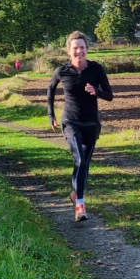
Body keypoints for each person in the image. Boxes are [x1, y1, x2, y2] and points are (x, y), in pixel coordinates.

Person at [47, 31, 113, 222]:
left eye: (82, 47)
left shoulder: (96, 69)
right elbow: (50, 89)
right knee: (79, 160)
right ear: (69, 50)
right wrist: (51, 114)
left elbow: (109, 95)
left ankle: (76, 193)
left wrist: (96, 91)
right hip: (71, 122)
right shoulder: (62, 71)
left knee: (84, 166)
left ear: (87, 49)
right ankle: (80, 206)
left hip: (91, 123)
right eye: (75, 48)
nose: (79, 51)